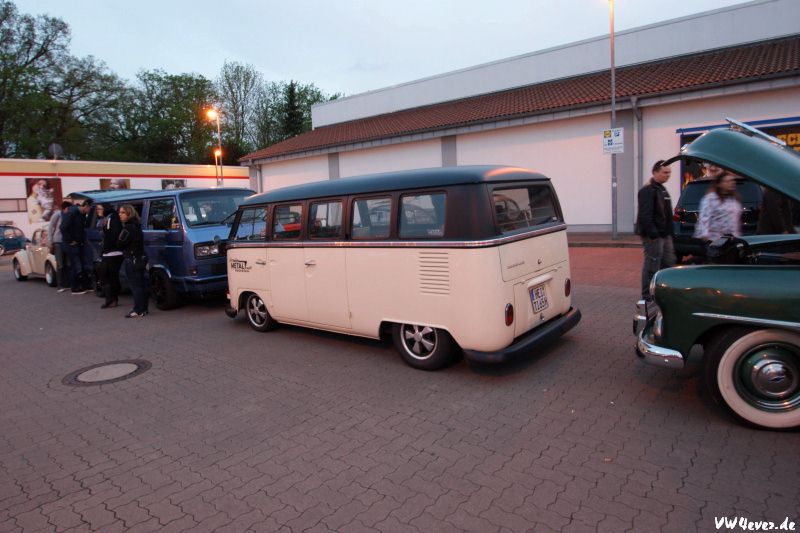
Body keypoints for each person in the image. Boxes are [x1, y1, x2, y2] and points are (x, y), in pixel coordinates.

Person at [636, 160, 676, 299]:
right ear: (655, 172)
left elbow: (666, 214)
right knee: (652, 265)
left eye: (669, 172)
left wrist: (670, 234)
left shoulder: (662, 189)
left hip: (664, 235)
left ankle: (664, 291)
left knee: (668, 263)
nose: (668, 175)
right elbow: (645, 215)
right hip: (654, 236)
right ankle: (647, 296)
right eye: (665, 172)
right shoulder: (648, 190)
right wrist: (653, 235)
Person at [117, 204, 149, 318]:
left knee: (136, 286)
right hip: (140, 258)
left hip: (132, 259)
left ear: (129, 213)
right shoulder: (137, 226)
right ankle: (143, 308)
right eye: (119, 212)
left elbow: (120, 243)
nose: (120, 215)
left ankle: (138, 309)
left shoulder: (128, 228)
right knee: (142, 285)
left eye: (122, 212)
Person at [694, 172, 742, 242]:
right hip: (714, 240)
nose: (731, 183)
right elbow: (704, 217)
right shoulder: (711, 199)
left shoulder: (734, 200)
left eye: (732, 181)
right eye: (727, 181)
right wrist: (704, 234)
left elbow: (736, 221)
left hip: (731, 240)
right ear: (719, 184)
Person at [60, 199, 93, 294]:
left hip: (79, 243)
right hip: (71, 244)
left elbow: (81, 229)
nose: (89, 211)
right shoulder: (72, 212)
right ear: (86, 206)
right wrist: (70, 240)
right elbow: (63, 227)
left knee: (81, 264)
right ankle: (74, 288)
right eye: (90, 209)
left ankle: (84, 285)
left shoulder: (81, 214)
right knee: (75, 265)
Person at [98, 204, 124, 308]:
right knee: (108, 276)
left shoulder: (112, 218)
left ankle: (112, 299)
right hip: (109, 252)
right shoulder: (108, 218)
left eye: (100, 208)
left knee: (108, 276)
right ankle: (111, 299)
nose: (98, 211)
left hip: (112, 252)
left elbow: (113, 235)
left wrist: (107, 246)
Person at [48, 200, 72, 292]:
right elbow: (50, 228)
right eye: (69, 209)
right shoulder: (57, 215)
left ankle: (67, 283)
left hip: (66, 241)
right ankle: (60, 285)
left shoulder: (69, 216)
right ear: (66, 208)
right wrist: (50, 242)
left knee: (68, 263)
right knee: (60, 264)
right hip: (57, 242)